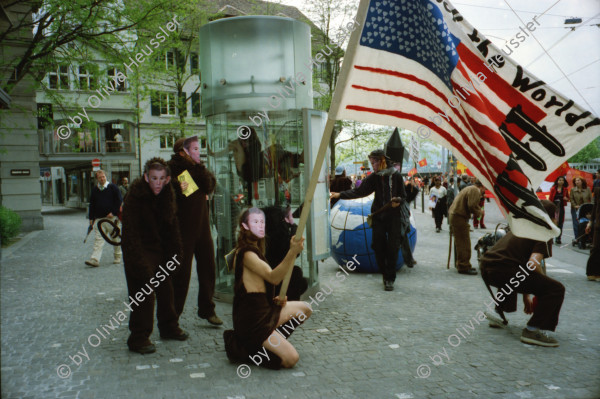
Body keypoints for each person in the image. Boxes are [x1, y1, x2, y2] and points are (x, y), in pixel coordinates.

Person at [223, 207, 311, 369]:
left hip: (265, 311)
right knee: (291, 359)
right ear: (245, 226)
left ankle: (271, 341)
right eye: (255, 222)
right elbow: (273, 277)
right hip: (254, 323)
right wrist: (292, 252)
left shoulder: (255, 250)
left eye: (262, 222)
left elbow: (260, 285)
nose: (260, 226)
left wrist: (275, 298)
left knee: (305, 310)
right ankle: (247, 349)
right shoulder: (245, 253)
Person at [121, 158, 186, 354]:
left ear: (167, 179)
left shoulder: (167, 194)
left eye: (161, 178)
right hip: (138, 250)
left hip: (159, 250)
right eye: (153, 178)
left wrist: (175, 254)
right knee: (143, 294)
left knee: (166, 290)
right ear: (145, 177)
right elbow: (130, 233)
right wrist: (138, 263)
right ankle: (138, 338)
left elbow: (171, 225)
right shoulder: (134, 197)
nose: (157, 182)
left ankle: (168, 327)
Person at [480, 200, 565, 347]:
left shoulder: (522, 225)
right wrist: (542, 284)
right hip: (504, 271)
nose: (557, 218)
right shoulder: (544, 231)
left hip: (487, 267)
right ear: (549, 217)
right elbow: (532, 264)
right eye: (555, 215)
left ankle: (497, 313)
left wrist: (527, 293)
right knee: (556, 289)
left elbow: (519, 262)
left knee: (510, 272)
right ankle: (532, 330)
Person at [330, 148, 410, 291]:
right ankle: (385, 274)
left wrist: (399, 200)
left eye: (374, 162)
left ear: (382, 161)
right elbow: (359, 191)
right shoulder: (374, 177)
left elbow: (404, 196)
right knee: (377, 246)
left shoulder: (396, 176)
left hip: (394, 217)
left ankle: (389, 279)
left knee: (393, 247)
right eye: (371, 162)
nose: (373, 165)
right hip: (378, 216)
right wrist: (339, 195)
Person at [168, 136, 222, 325]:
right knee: (181, 274)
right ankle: (172, 317)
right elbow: (189, 192)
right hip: (184, 230)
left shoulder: (198, 169)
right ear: (183, 152)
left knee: (208, 268)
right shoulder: (174, 169)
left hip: (202, 228)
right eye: (196, 149)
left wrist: (199, 169)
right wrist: (193, 176)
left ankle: (207, 309)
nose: (200, 152)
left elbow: (208, 186)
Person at [262, 205, 308, 300]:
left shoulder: (265, 236)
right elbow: (294, 253)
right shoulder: (277, 237)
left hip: (271, 279)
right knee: (296, 275)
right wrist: (294, 227)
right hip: (274, 281)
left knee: (299, 278)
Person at [85, 169, 123, 267]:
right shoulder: (95, 190)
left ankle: (117, 256)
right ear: (97, 179)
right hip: (99, 219)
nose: (102, 179)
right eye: (100, 177)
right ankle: (95, 259)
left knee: (115, 239)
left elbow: (119, 201)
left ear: (106, 177)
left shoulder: (113, 188)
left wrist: (113, 212)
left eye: (103, 177)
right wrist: (91, 219)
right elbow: (92, 205)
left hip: (111, 219)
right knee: (98, 240)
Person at [449, 180, 486, 275]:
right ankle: (463, 266)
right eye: (484, 189)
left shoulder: (470, 188)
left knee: (461, 242)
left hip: (456, 216)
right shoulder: (474, 190)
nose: (484, 191)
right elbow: (472, 205)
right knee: (464, 243)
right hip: (459, 217)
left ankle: (462, 264)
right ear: (481, 187)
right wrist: (479, 212)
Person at [570, 177, 592, 249]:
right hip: (575, 208)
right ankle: (577, 238)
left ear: (582, 181)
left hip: (585, 209)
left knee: (586, 223)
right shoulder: (573, 190)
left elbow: (591, 199)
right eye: (576, 181)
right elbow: (571, 199)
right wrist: (575, 205)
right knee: (576, 223)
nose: (577, 182)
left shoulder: (587, 189)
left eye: (578, 180)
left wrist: (591, 207)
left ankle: (588, 238)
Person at [585, 186, 600, 281]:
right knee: (596, 248)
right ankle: (592, 272)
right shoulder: (598, 190)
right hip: (599, 225)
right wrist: (590, 222)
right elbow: (595, 206)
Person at [549, 176, 569, 245]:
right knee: (553, 222)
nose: (561, 181)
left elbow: (568, 198)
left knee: (560, 223)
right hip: (554, 207)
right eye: (560, 180)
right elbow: (550, 199)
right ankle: (551, 238)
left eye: (562, 180)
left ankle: (558, 238)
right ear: (557, 181)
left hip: (561, 207)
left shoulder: (565, 189)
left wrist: (566, 199)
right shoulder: (553, 189)